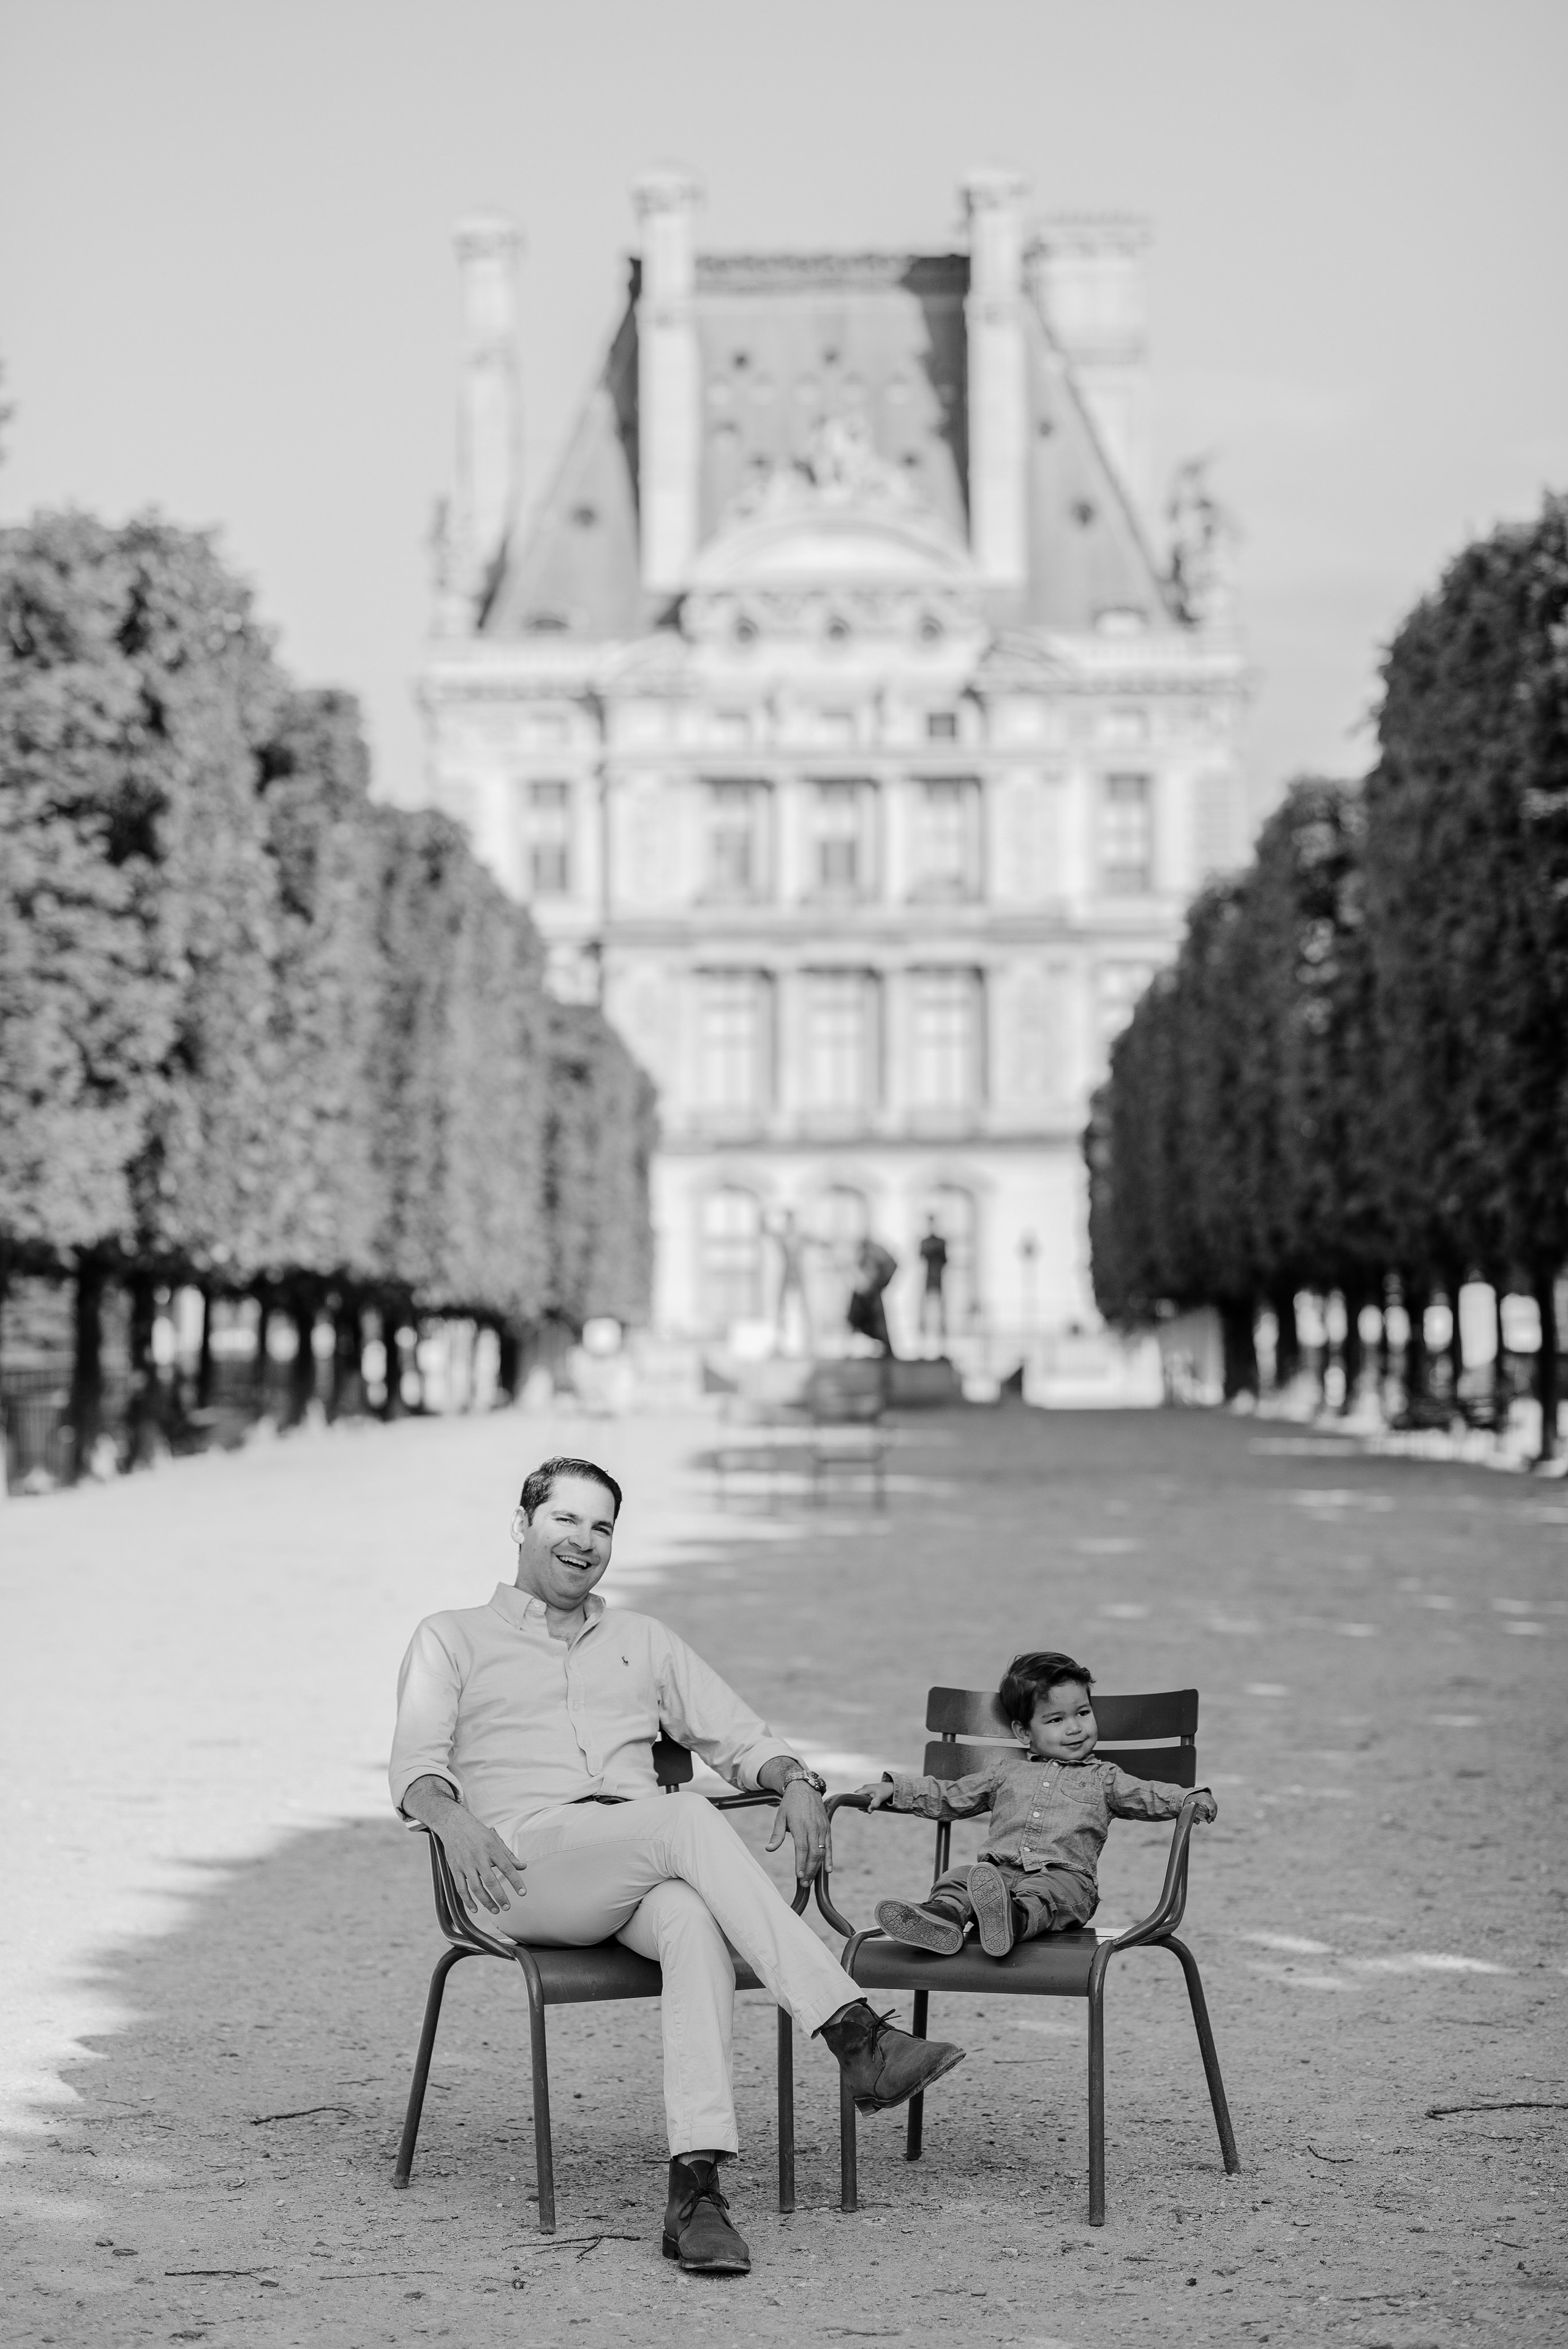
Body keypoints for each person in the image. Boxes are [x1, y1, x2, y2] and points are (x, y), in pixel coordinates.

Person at [390, 1456, 964, 2277]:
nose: (584, 1541)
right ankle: (857, 2036)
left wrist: (795, 1779)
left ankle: (695, 2190)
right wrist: (451, 1820)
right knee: (685, 1816)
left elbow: (738, 1735)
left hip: (635, 1862)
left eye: (602, 1527)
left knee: (694, 1919)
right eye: (566, 1520)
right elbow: (413, 1763)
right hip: (522, 1867)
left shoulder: (643, 1639)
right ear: (523, 1525)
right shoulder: (450, 1636)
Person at [853, 1650, 1216, 1958]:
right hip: (996, 1873)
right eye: (1056, 1720)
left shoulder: (1104, 1777)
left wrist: (1188, 1797)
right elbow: (950, 1796)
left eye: (1083, 1713)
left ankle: (1011, 1919)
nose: (1074, 1728)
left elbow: (1147, 1794)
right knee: (958, 1878)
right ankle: (941, 1917)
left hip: (1066, 1880)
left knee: (1045, 1895)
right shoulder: (1004, 1774)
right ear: (1024, 1733)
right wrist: (894, 1789)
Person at [846, 1235, 897, 1355]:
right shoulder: (859, 1295)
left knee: (881, 1343)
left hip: (870, 1300)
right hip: (863, 1300)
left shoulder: (874, 1296)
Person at [917, 1216, 949, 1348]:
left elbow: (943, 1258)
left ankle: (941, 1345)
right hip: (927, 1283)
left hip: (939, 1283)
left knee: (940, 1314)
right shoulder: (926, 1242)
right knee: (925, 1314)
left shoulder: (940, 1242)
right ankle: (924, 1344)